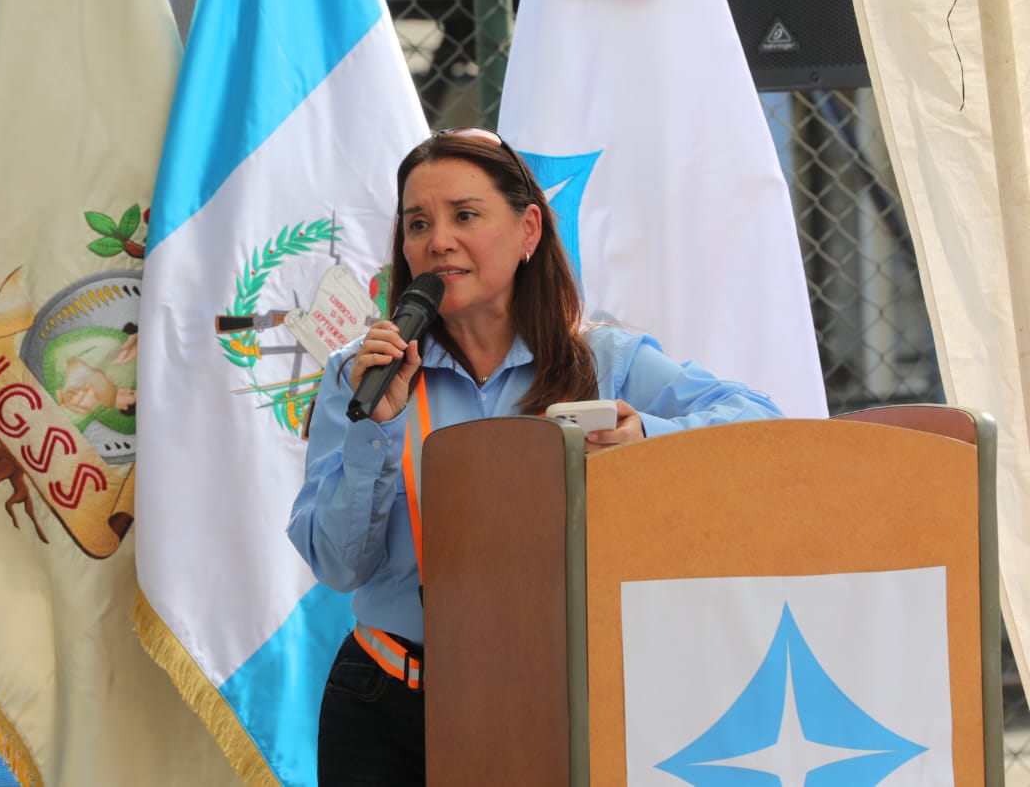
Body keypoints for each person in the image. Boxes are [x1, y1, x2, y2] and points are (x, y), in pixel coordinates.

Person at [286, 127, 785, 785]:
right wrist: (377, 429)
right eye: (417, 223)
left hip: (556, 699)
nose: (438, 240)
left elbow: (761, 423)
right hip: (388, 704)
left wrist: (647, 436)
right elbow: (339, 566)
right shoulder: (364, 375)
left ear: (528, 231)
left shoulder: (603, 361)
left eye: (465, 215)